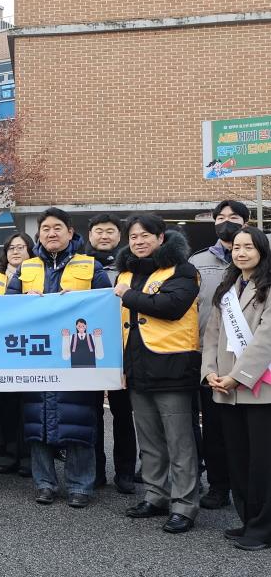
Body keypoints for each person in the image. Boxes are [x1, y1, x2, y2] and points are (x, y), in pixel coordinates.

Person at [6, 207, 111, 509]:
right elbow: (8, 310)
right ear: (39, 234)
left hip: (77, 358)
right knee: (37, 421)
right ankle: (44, 483)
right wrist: (23, 302)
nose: (51, 233)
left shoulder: (90, 266)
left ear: (70, 232)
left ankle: (80, 485)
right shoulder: (26, 268)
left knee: (79, 420)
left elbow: (106, 308)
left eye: (57, 228)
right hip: (37, 356)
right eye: (46, 229)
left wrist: (78, 303)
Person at [115, 214, 200, 534]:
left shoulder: (183, 270)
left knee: (179, 442)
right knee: (149, 440)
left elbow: (171, 306)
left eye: (145, 235)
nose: (138, 241)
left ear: (161, 238)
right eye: (133, 237)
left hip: (172, 367)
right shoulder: (126, 273)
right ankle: (155, 495)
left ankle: (184, 505)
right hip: (137, 367)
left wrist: (127, 294)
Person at [202, 226, 271, 551]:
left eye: (248, 247)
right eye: (236, 248)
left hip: (259, 389)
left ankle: (264, 527)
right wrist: (210, 372)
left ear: (262, 250)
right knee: (238, 458)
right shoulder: (228, 288)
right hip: (226, 389)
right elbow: (212, 334)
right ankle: (248, 520)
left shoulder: (268, 287)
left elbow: (266, 340)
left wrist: (237, 376)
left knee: (262, 462)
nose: (241, 253)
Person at [190, 199, 249, 510]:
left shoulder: (260, 258)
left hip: (250, 358)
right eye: (221, 217)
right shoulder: (197, 261)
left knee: (248, 429)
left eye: (234, 217)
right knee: (213, 427)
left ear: (246, 223)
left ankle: (248, 489)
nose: (227, 221)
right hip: (209, 355)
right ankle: (218, 486)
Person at [85, 213, 137, 494]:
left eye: (110, 231)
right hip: (88, 349)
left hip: (124, 348)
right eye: (99, 231)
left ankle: (125, 471)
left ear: (120, 235)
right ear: (89, 235)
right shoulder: (80, 264)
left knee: (123, 414)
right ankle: (95, 470)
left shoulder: (133, 265)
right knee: (91, 414)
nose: (104, 236)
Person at [0, 233, 34, 478]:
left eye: (21, 247)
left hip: (27, 348)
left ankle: (27, 455)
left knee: (27, 405)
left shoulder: (38, 275)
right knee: (3, 405)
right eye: (11, 248)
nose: (15, 252)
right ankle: (5, 454)